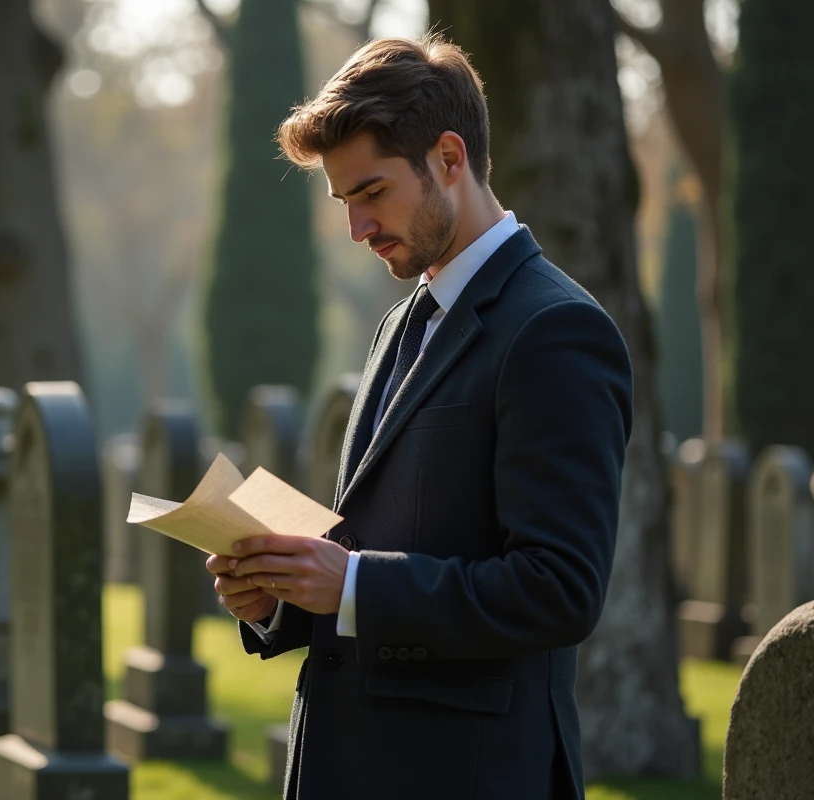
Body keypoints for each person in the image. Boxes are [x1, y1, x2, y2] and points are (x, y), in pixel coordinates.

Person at [206, 34, 633, 799]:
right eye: (344, 203)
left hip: (465, 774)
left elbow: (560, 587)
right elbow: (378, 548)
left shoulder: (556, 330)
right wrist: (282, 599)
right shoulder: (401, 323)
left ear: (447, 158)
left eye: (371, 193)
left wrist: (354, 585)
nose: (357, 229)